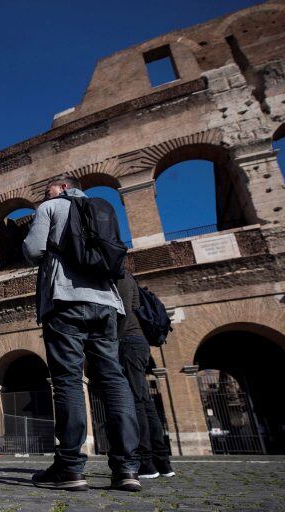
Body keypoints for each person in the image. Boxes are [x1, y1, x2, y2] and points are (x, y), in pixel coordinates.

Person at [22, 174, 141, 492]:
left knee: (68, 381)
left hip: (65, 301)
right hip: (106, 304)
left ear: (62, 187)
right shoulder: (101, 209)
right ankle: (127, 468)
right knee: (114, 380)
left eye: (47, 188)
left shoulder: (52, 207)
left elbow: (32, 250)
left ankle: (71, 468)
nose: (43, 192)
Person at [116, 270, 176, 479]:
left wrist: (111, 339)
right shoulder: (128, 276)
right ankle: (163, 462)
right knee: (145, 401)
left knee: (137, 402)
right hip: (136, 342)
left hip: (128, 341)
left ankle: (146, 462)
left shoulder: (121, 276)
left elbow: (123, 312)